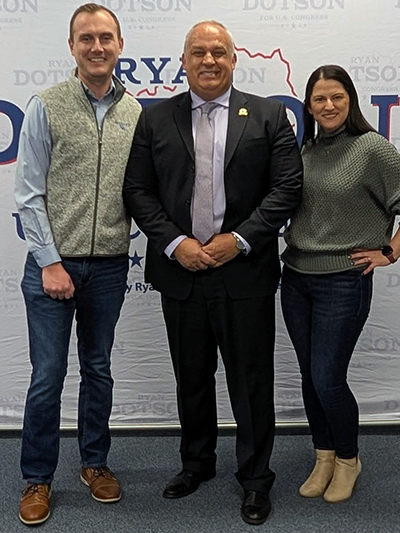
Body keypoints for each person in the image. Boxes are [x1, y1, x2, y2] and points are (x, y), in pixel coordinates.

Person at [123, 20, 303, 525]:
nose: (208, 60)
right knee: (192, 377)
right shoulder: (155, 119)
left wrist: (238, 239)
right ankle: (196, 464)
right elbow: (138, 190)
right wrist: (176, 243)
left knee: (251, 381)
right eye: (198, 52)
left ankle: (255, 479)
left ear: (233, 59)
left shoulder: (269, 115)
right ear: (183, 61)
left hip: (243, 272)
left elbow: (287, 188)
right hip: (181, 272)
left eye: (218, 51)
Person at [15, 3, 141, 525]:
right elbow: (28, 194)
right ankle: (37, 477)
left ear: (119, 45)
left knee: (99, 370)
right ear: (71, 46)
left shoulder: (136, 113)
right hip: (52, 266)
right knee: (48, 375)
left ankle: (94, 463)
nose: (97, 46)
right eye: (86, 38)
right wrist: (50, 262)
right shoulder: (45, 105)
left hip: (109, 267)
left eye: (105, 37)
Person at [281, 64, 400, 504]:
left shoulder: (373, 148)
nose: (328, 105)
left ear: (350, 100)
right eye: (319, 99)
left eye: (337, 97)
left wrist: (389, 252)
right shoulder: (306, 150)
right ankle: (324, 455)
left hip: (343, 282)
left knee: (328, 378)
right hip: (296, 278)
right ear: (309, 106)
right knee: (309, 376)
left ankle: (349, 459)